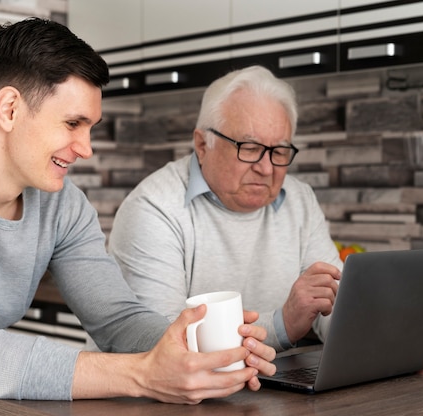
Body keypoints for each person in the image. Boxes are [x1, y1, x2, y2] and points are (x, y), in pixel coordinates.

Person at [0, 19, 277, 416]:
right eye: (73, 123)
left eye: (90, 127)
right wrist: (142, 373)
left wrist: (194, 353)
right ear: (10, 109)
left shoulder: (60, 203)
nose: (86, 147)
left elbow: (117, 319)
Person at [104, 65, 344, 354]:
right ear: (203, 144)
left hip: (266, 387)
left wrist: (383, 341)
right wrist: (281, 325)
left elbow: (336, 305)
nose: (266, 168)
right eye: (250, 147)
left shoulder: (300, 200)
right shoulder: (153, 209)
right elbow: (163, 347)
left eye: (279, 152)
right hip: (160, 397)